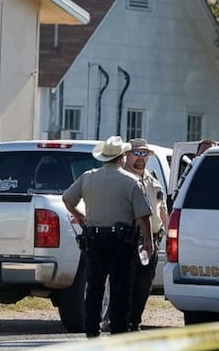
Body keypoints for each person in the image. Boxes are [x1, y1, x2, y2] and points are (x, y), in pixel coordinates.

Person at [62, 135, 153, 338]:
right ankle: (118, 328)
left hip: (94, 239)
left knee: (94, 285)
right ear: (122, 158)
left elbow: (67, 198)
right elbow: (143, 217)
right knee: (120, 286)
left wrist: (80, 216)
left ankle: (91, 328)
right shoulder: (132, 181)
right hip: (122, 241)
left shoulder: (87, 177)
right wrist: (149, 242)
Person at [125, 138, 168, 331]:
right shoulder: (123, 179)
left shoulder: (152, 179)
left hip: (151, 240)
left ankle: (135, 321)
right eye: (137, 153)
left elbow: (162, 208)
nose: (141, 158)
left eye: (144, 154)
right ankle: (122, 321)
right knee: (127, 283)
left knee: (144, 285)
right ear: (126, 155)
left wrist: (164, 230)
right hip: (130, 239)